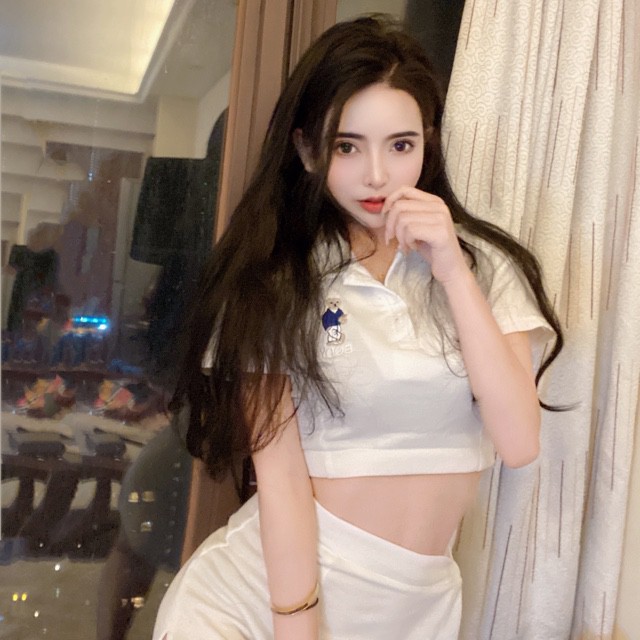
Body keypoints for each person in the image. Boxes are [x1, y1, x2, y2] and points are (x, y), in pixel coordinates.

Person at [153, 15, 563, 640]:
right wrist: (298, 629)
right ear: (306, 150)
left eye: (400, 145)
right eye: (347, 146)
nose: (377, 174)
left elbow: (519, 440)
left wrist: (452, 270)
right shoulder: (273, 282)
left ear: (428, 144)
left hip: (416, 607)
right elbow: (282, 482)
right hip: (263, 601)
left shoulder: (482, 267)